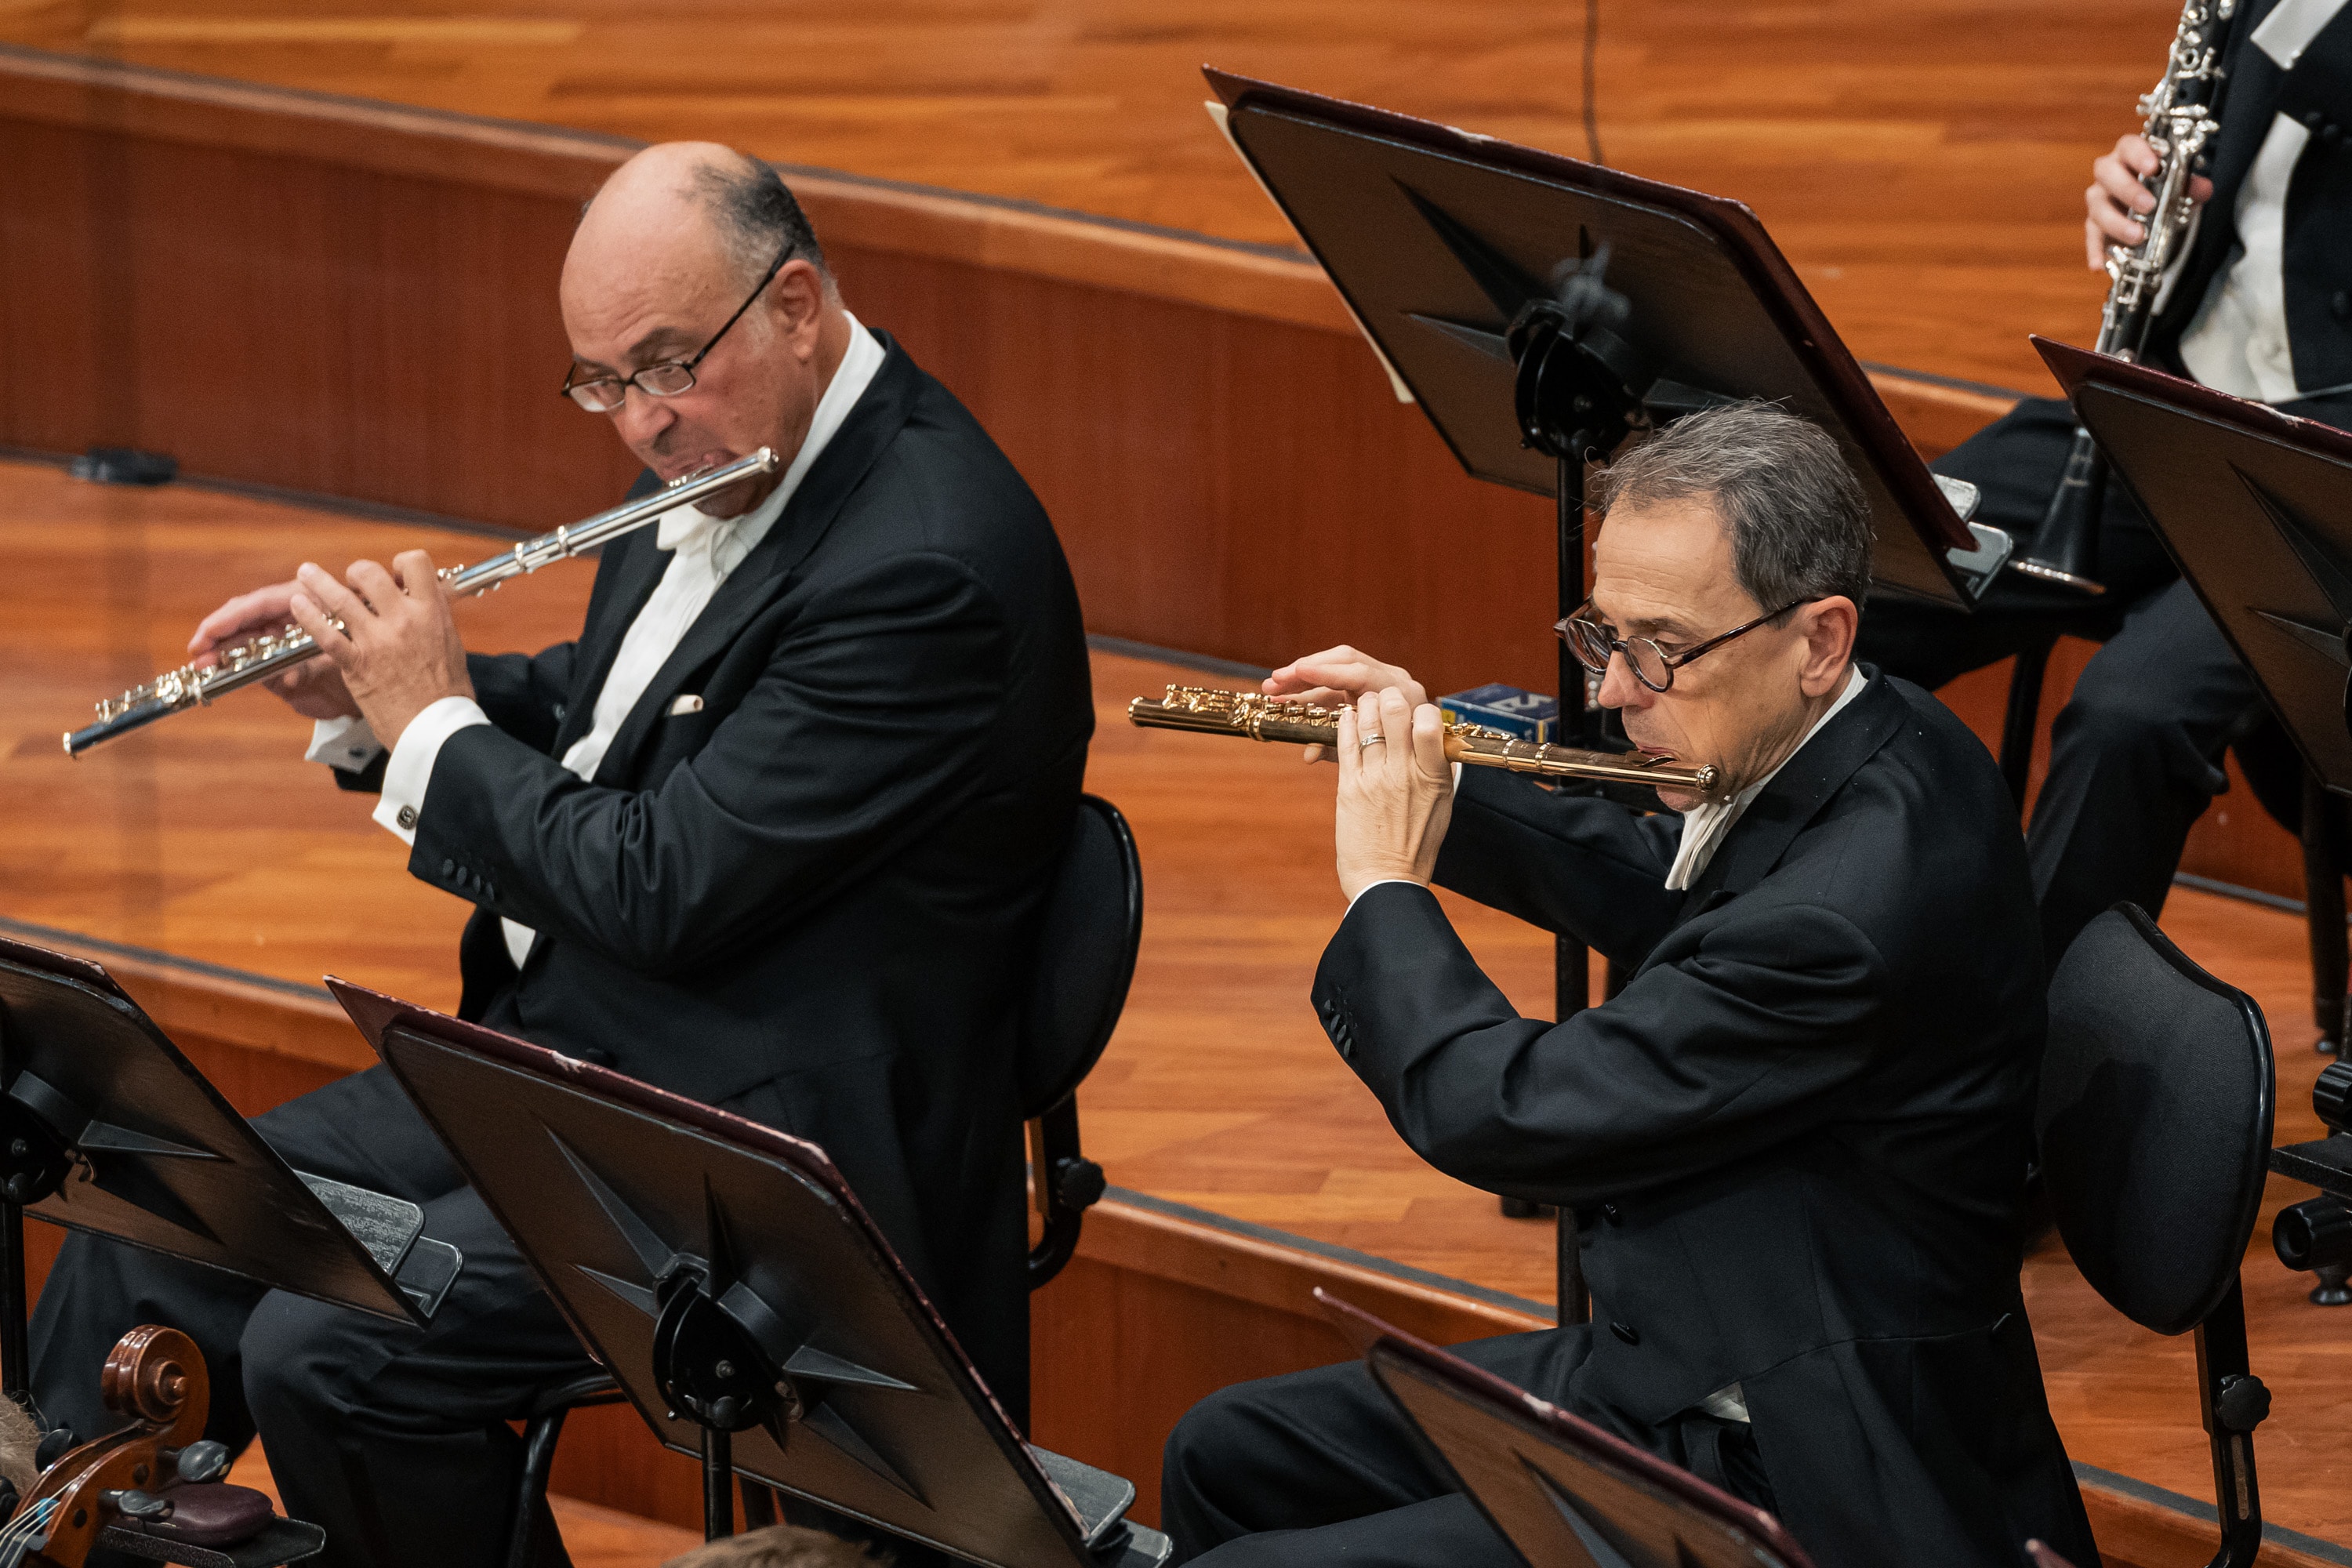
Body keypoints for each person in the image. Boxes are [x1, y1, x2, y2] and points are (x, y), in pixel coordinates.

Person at [29, 142, 1092, 1568]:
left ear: (793, 304)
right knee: (162, 1207)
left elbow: (658, 881)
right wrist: (383, 699)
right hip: (575, 1067)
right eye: (600, 380)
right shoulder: (729, 450)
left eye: (665, 366)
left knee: (331, 1354)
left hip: (759, 1164)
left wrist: (435, 728)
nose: (640, 422)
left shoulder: (930, 564)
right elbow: (635, 710)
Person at [1158, 403, 2095, 1568]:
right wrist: (1431, 759)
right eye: (1604, 636)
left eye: (1662, 648)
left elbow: (1508, 1111)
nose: (1610, 692)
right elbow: (1670, 879)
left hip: (1800, 1456)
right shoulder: (1854, 732)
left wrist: (1386, 885)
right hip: (1689, 1357)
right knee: (1228, 1453)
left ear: (1820, 638)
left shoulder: (1847, 917)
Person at [1858, 0, 2352, 973]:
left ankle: (2031, 1079)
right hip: (2176, 392)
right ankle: (1798, 966)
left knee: (2132, 714)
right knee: (1858, 576)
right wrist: (2141, 188)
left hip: (2327, 465)